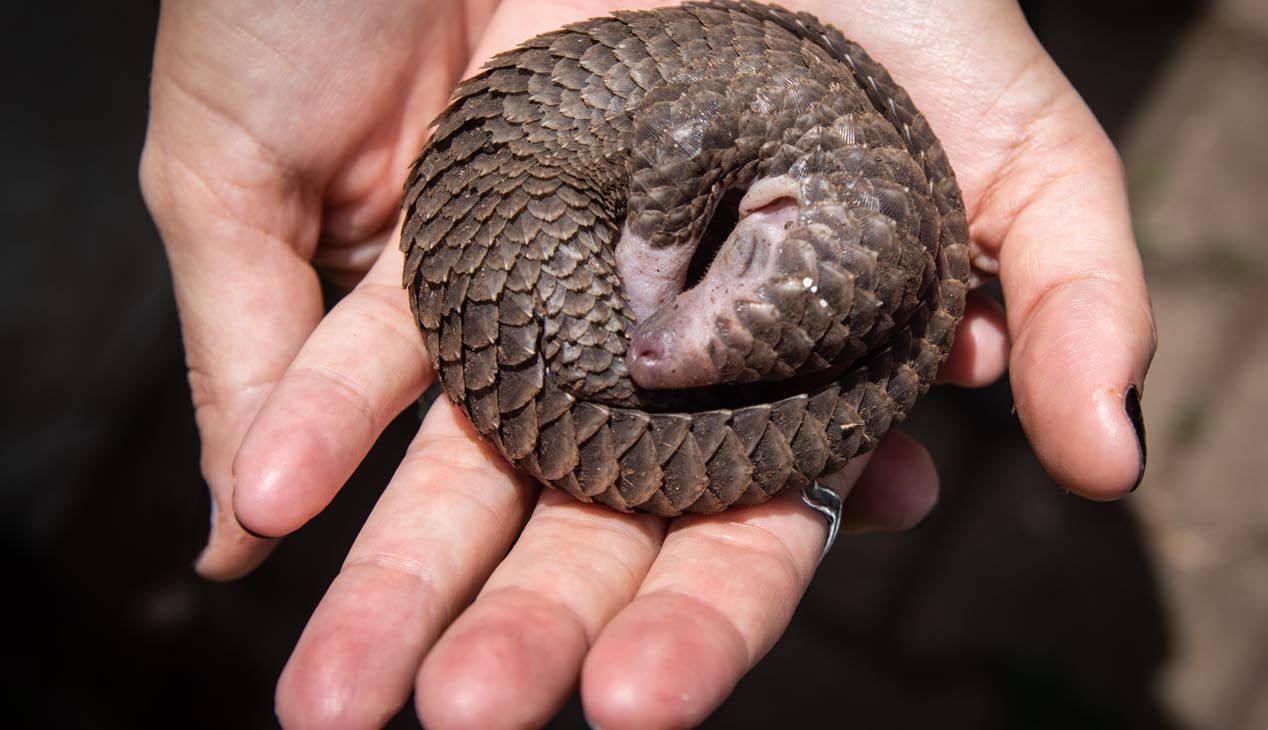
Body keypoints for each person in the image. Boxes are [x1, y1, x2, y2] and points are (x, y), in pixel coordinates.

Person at [139, 1, 1155, 728]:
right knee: (627, 346)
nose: (656, 360)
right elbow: (683, 141)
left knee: (654, 353)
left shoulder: (816, 151)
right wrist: (660, 273)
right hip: (521, 174)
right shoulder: (741, 121)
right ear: (776, 218)